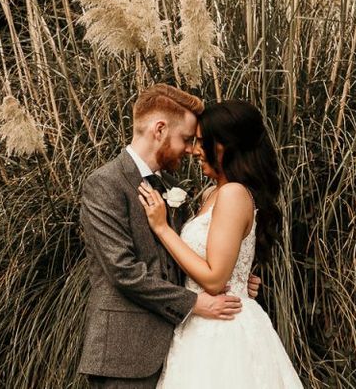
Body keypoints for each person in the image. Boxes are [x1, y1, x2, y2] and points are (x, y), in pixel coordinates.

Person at [78, 84, 260, 388]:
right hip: (126, 354)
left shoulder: (173, 187)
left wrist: (238, 280)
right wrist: (194, 303)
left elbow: (180, 256)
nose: (191, 149)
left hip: (180, 348)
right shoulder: (105, 184)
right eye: (187, 139)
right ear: (159, 129)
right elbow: (123, 271)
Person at [138, 99, 303, 388]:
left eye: (203, 142)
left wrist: (163, 229)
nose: (195, 151)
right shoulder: (212, 193)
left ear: (225, 145)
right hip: (200, 322)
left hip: (223, 330)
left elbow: (215, 279)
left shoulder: (233, 194)